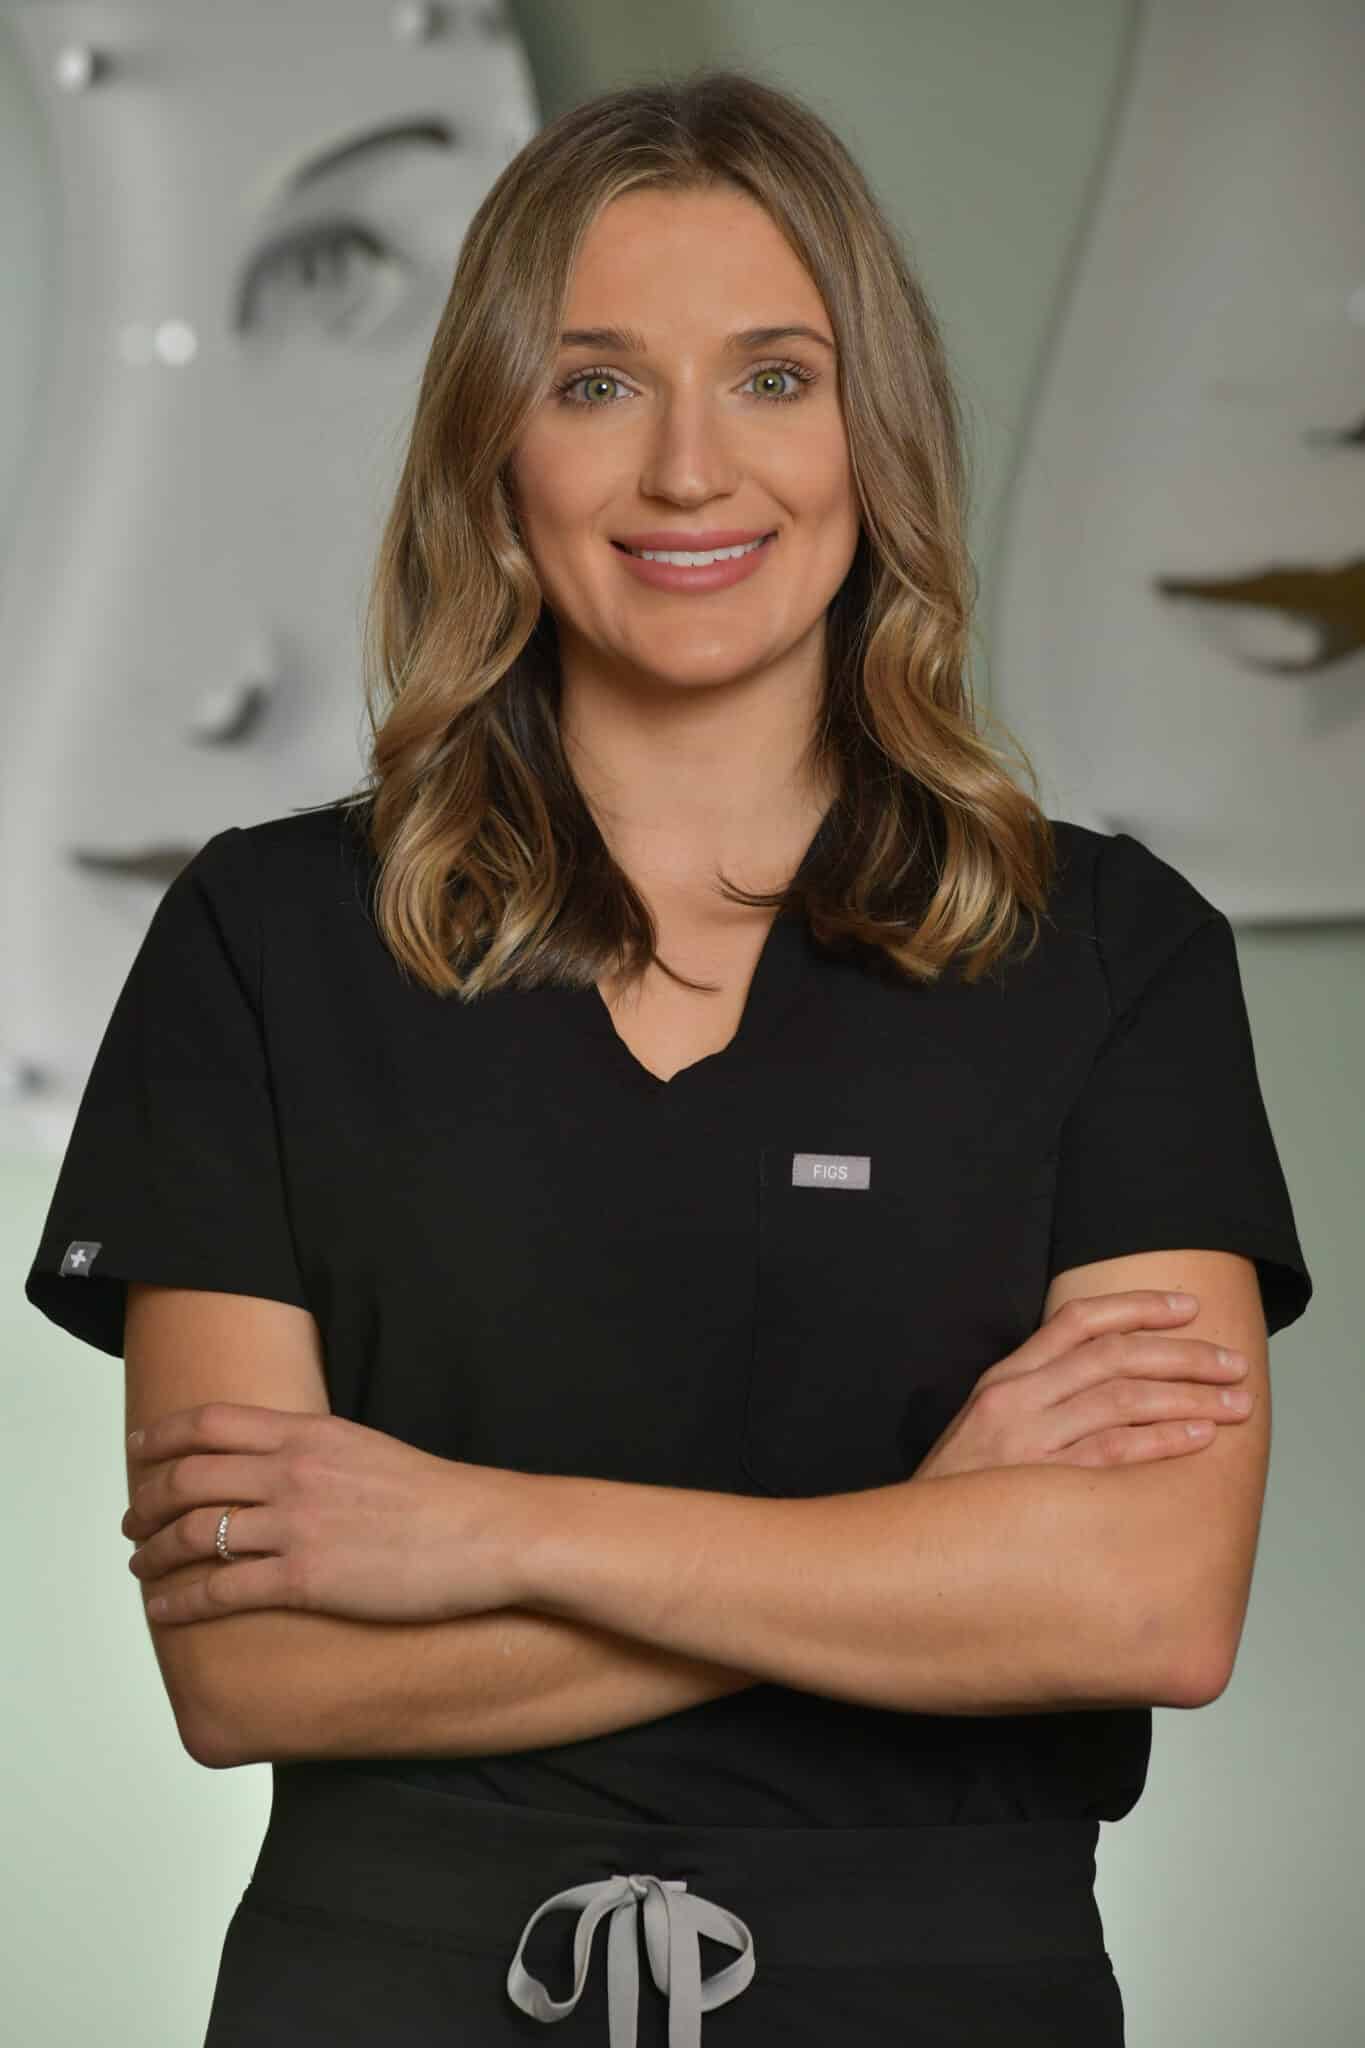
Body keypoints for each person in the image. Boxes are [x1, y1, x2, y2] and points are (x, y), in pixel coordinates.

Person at [24, 68, 1312, 2048]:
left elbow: (1136, 1610)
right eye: (597, 381)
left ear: (873, 438)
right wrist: (915, 1546)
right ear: (493, 449)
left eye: (775, 378)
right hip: (399, 1996)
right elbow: (256, 1663)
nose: (689, 470)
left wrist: (476, 1531)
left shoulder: (1109, 953)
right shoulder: (267, 940)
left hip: (940, 2002)